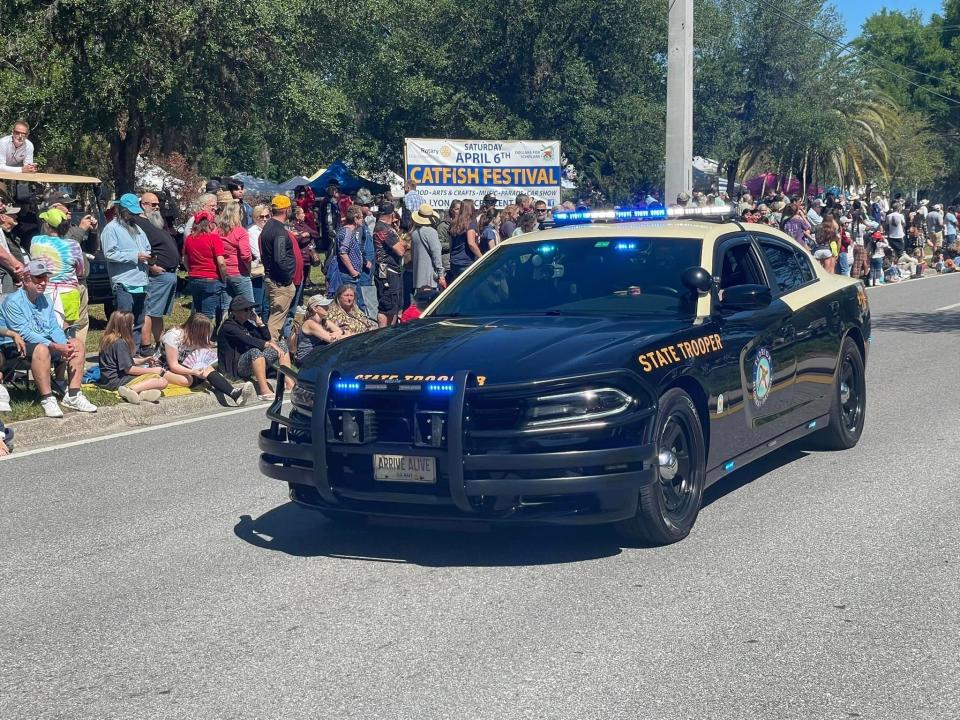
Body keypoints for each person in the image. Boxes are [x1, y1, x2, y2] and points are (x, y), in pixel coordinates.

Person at [0, 260, 97, 417]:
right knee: (41, 348)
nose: (43, 282)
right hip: (15, 347)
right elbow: (24, 333)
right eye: (38, 278)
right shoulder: (13, 302)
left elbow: (53, 327)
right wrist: (55, 346)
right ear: (26, 280)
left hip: (44, 344)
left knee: (76, 344)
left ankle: (73, 395)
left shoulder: (45, 300)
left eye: (45, 278)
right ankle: (47, 398)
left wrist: (64, 344)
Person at [157, 311, 253, 404]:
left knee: (207, 369)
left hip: (186, 365)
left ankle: (234, 394)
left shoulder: (197, 337)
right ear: (195, 330)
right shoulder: (173, 336)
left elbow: (203, 354)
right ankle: (204, 380)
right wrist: (192, 372)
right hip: (165, 366)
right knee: (187, 380)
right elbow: (173, 365)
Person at [216, 296, 293, 401]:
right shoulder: (228, 327)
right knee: (255, 351)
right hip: (235, 368)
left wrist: (258, 322)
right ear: (235, 312)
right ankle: (264, 390)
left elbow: (266, 337)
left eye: (251, 309)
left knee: (282, 346)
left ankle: (289, 384)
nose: (250, 312)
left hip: (253, 362)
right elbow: (248, 340)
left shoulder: (246, 324)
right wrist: (268, 344)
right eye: (246, 309)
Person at [100, 193, 151, 349]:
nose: (133, 215)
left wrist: (149, 257)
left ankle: (133, 353)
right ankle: (121, 353)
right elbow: (109, 253)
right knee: (124, 322)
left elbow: (147, 247)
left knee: (138, 321)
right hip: (124, 281)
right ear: (121, 210)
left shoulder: (138, 229)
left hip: (141, 280)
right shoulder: (111, 229)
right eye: (130, 212)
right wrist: (135, 256)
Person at [133, 192, 180, 352]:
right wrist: (152, 266)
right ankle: (146, 345)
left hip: (169, 274)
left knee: (157, 313)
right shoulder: (138, 223)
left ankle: (161, 343)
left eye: (158, 204)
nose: (157, 207)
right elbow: (139, 248)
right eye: (153, 205)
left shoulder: (155, 222)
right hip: (158, 274)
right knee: (150, 311)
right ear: (143, 205)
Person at [29, 208, 84, 332]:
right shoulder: (73, 245)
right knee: (67, 332)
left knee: (43, 330)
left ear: (47, 225)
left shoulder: (36, 241)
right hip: (68, 292)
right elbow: (80, 271)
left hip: (43, 291)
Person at [98, 310, 168, 404]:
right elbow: (129, 369)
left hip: (107, 380)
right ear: (125, 327)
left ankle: (142, 394)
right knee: (162, 381)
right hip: (116, 381)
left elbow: (124, 361)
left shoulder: (108, 339)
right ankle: (129, 390)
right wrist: (153, 370)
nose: (133, 326)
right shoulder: (120, 343)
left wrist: (144, 360)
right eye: (132, 323)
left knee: (153, 382)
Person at [260, 195, 297, 341]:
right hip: (280, 283)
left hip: (271, 278)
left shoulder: (268, 227)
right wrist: (287, 280)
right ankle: (269, 355)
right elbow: (280, 258)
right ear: (286, 210)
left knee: (275, 318)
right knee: (275, 323)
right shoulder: (279, 231)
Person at [182, 210, 228, 325]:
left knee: (198, 313)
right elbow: (221, 262)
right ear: (209, 224)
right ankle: (203, 340)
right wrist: (224, 278)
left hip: (194, 278)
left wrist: (191, 271)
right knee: (207, 316)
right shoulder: (213, 238)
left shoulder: (189, 239)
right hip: (211, 279)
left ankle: (195, 337)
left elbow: (184, 259)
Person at [372, 202, 405, 327]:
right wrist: (403, 242)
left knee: (394, 304)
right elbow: (400, 250)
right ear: (391, 214)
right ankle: (383, 331)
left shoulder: (385, 227)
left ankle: (391, 330)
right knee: (387, 305)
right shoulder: (384, 229)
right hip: (387, 271)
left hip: (390, 270)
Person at [218, 200, 253, 304]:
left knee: (227, 306)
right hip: (239, 273)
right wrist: (249, 270)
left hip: (223, 273)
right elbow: (246, 255)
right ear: (239, 214)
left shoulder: (217, 231)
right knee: (248, 306)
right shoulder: (241, 232)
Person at [293, 294, 344, 364]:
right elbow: (331, 339)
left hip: (318, 353)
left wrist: (340, 333)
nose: (327, 307)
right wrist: (338, 334)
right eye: (324, 306)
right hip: (306, 357)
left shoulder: (324, 321)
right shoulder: (310, 323)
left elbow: (339, 331)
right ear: (315, 308)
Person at [410, 203, 446, 292]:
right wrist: (441, 274)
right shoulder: (431, 232)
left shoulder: (414, 233)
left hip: (418, 277)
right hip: (430, 278)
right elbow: (436, 253)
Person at [448, 199, 480, 282]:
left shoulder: (454, 222)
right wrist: (481, 257)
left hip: (454, 261)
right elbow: (471, 243)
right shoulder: (470, 222)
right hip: (466, 262)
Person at [248, 203, 270, 318]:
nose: (265, 219)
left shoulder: (268, 229)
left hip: (268, 270)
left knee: (267, 303)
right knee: (258, 303)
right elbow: (257, 253)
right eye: (261, 217)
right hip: (258, 271)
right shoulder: (251, 231)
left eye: (267, 216)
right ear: (255, 218)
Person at [437, 200, 460, 275]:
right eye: (457, 209)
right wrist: (452, 244)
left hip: (457, 261)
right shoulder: (443, 226)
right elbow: (438, 244)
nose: (459, 212)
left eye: (461, 210)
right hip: (447, 263)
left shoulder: (462, 225)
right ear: (451, 210)